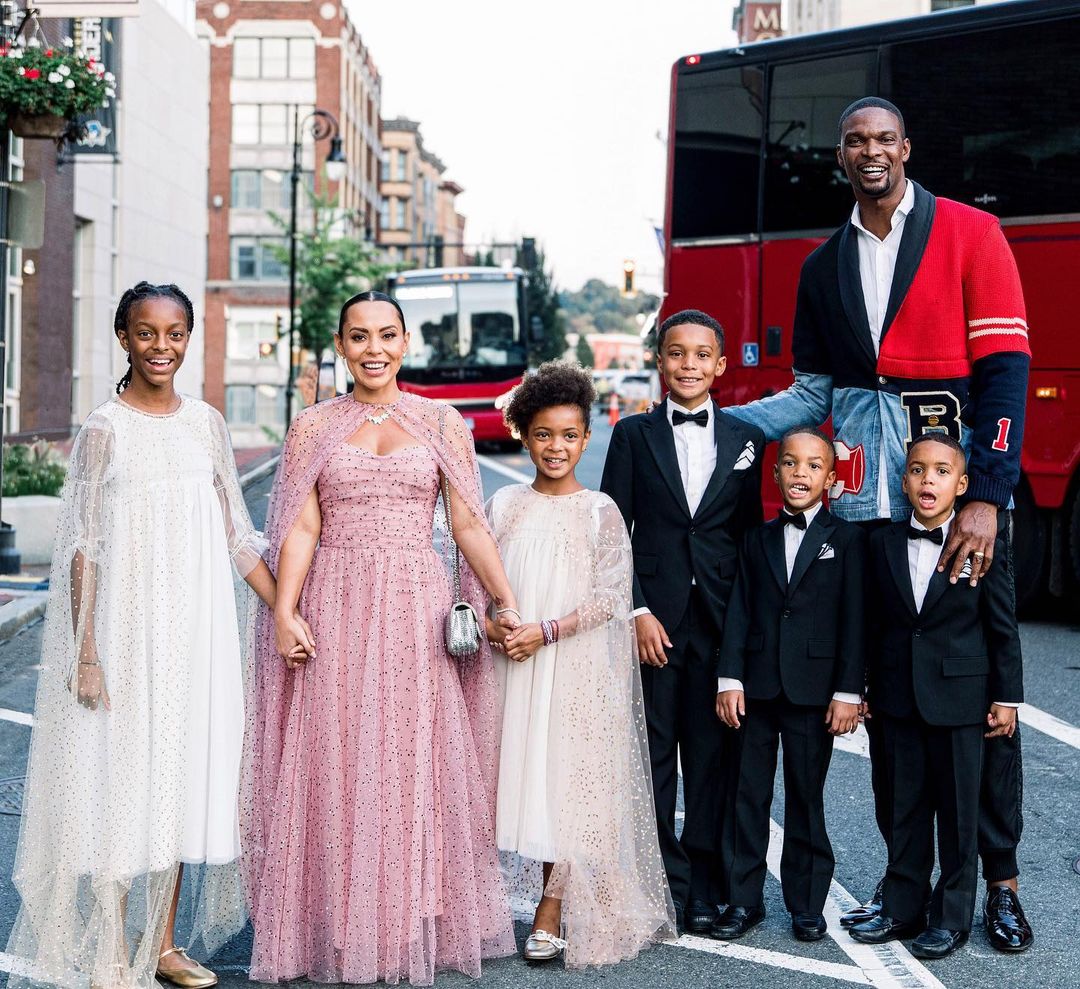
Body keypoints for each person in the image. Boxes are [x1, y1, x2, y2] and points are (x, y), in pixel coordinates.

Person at [726, 97, 1033, 951]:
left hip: (959, 503)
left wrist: (990, 494)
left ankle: (998, 886)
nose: (870, 153)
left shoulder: (973, 233)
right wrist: (721, 423)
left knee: (977, 712)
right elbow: (815, 396)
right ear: (841, 155)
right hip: (869, 516)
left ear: (907, 147)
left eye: (883, 139)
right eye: (854, 141)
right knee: (896, 714)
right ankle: (904, 890)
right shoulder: (823, 264)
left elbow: (1006, 371)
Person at [5, 282, 278, 989]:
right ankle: (110, 951)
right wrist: (86, 650)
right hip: (126, 630)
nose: (163, 346)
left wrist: (284, 609)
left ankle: (161, 946)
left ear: (190, 338)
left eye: (176, 332)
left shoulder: (206, 424)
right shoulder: (105, 429)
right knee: (122, 781)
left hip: (196, 632)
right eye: (147, 332)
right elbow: (83, 547)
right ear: (124, 337)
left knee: (180, 777)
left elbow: (236, 535)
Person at [241, 291, 518, 986]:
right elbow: (301, 527)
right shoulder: (312, 426)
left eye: (387, 335)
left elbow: (469, 524)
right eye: (359, 336)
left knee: (409, 758)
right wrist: (284, 611)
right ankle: (338, 919)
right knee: (337, 756)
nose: (374, 349)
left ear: (404, 343)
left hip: (415, 608)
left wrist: (506, 598)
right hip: (334, 601)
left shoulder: (441, 421)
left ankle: (404, 916)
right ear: (340, 344)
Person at [486, 361, 675, 967]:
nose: (556, 447)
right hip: (511, 662)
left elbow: (610, 598)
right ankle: (491, 899)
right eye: (544, 434)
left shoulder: (599, 511)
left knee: (565, 783)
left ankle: (552, 907)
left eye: (569, 435)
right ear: (523, 433)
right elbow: (477, 575)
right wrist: (495, 621)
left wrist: (545, 630)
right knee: (516, 782)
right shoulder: (506, 502)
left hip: (572, 665)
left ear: (586, 437)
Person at [600, 310, 765, 935]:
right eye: (676, 353)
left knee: (712, 759)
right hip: (655, 625)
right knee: (654, 757)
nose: (689, 364)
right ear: (660, 364)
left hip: (721, 622)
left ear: (721, 366)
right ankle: (664, 885)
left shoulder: (748, 438)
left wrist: (742, 638)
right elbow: (612, 534)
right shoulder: (632, 436)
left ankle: (704, 887)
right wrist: (638, 609)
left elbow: (748, 543)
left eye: (702, 354)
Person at [851, 434, 1023, 959]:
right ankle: (902, 907)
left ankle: (952, 917)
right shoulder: (879, 543)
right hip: (896, 697)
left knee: (956, 813)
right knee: (901, 807)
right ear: (904, 482)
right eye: (919, 471)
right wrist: (859, 687)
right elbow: (869, 623)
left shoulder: (982, 545)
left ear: (962, 484)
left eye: (942, 472)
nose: (929, 480)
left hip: (961, 700)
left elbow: (1003, 626)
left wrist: (1007, 698)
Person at [714, 427, 866, 943]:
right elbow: (738, 611)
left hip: (813, 693)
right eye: (790, 464)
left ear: (830, 478)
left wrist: (848, 691)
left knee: (806, 798)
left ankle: (806, 905)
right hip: (755, 688)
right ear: (776, 472)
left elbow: (854, 621)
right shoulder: (755, 539)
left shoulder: (846, 542)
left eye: (813, 466)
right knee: (747, 795)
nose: (800, 473)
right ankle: (742, 900)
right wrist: (729, 678)